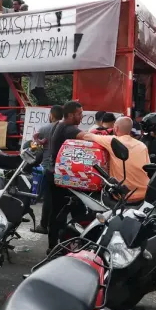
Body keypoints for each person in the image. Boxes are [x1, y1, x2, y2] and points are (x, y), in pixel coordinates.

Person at [46, 101, 87, 252]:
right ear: (70, 115)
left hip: (57, 174)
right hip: (62, 178)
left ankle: (54, 245)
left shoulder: (58, 125)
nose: (81, 117)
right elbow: (88, 137)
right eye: (79, 114)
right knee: (75, 212)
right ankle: (64, 245)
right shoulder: (69, 129)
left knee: (58, 211)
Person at [83, 117, 150, 202]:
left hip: (123, 195)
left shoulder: (112, 141)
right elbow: (147, 169)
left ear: (116, 128)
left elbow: (87, 136)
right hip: (144, 193)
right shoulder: (142, 145)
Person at [30, 105, 64, 234]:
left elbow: (36, 149)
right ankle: (58, 226)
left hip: (47, 167)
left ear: (52, 115)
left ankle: (44, 225)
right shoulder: (67, 129)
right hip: (63, 167)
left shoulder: (44, 129)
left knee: (48, 197)